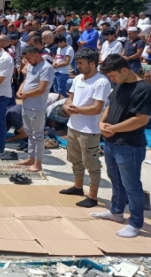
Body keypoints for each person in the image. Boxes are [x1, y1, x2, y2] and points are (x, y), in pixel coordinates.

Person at [92, 54, 151, 238]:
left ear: (124, 70)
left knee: (132, 185)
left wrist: (113, 129)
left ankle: (135, 222)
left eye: (113, 76)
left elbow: (141, 119)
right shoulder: (119, 84)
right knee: (115, 180)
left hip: (129, 145)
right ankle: (117, 212)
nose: (112, 79)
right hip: (111, 142)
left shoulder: (143, 89)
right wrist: (101, 123)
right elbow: (111, 105)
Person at [59, 49, 111, 208]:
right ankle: (78, 186)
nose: (78, 66)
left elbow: (97, 108)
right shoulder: (78, 79)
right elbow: (70, 98)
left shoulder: (101, 82)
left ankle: (93, 196)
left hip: (89, 130)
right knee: (75, 160)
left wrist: (75, 109)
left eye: (81, 63)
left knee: (91, 164)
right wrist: (66, 106)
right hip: (73, 126)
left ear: (92, 63)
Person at [16, 45, 55, 172]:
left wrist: (26, 94)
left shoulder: (46, 68)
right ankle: (31, 158)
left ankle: (38, 162)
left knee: (38, 135)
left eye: (29, 58)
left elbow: (41, 89)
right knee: (29, 133)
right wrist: (20, 90)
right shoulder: (31, 66)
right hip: (27, 104)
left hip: (37, 107)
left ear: (36, 55)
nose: (27, 61)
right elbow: (26, 81)